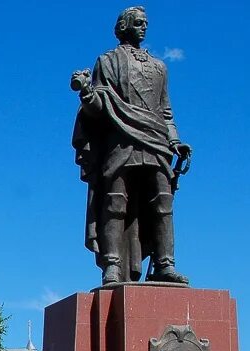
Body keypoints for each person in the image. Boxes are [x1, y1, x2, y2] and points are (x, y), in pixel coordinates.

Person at [71, 6, 191, 286]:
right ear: (123, 26)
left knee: (162, 202)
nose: (143, 27)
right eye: (137, 22)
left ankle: (164, 264)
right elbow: (99, 108)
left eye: (145, 23)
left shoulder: (159, 67)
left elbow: (166, 112)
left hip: (156, 142)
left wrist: (175, 141)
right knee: (115, 201)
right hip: (121, 141)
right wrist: (86, 91)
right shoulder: (108, 61)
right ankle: (112, 265)